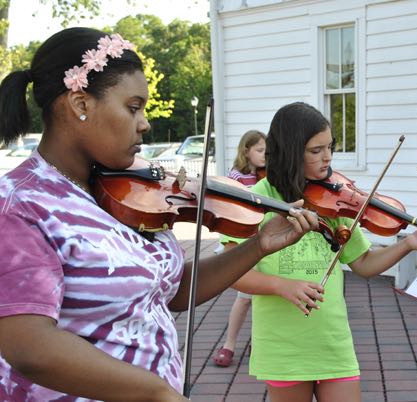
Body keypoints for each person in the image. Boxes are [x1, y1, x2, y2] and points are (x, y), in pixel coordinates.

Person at [0, 28, 319, 402]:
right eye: (133, 107)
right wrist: (155, 392)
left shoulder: (122, 190)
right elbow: (30, 347)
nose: (145, 123)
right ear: (80, 104)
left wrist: (259, 245)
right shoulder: (22, 204)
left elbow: (169, 291)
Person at [220, 102, 417, 402]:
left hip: (333, 343)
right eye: (316, 150)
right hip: (283, 347)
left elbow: (362, 263)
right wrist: (282, 286)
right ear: (290, 151)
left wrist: (408, 244)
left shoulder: (333, 199)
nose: (328, 158)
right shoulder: (255, 200)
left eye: (330, 147)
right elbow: (231, 273)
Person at [212, 129, 267, 367]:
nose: (266, 155)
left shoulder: (265, 177)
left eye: (268, 151)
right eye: (260, 150)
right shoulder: (237, 177)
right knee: (245, 297)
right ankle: (229, 344)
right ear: (247, 151)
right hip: (245, 240)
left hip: (265, 241)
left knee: (263, 296)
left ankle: (259, 341)